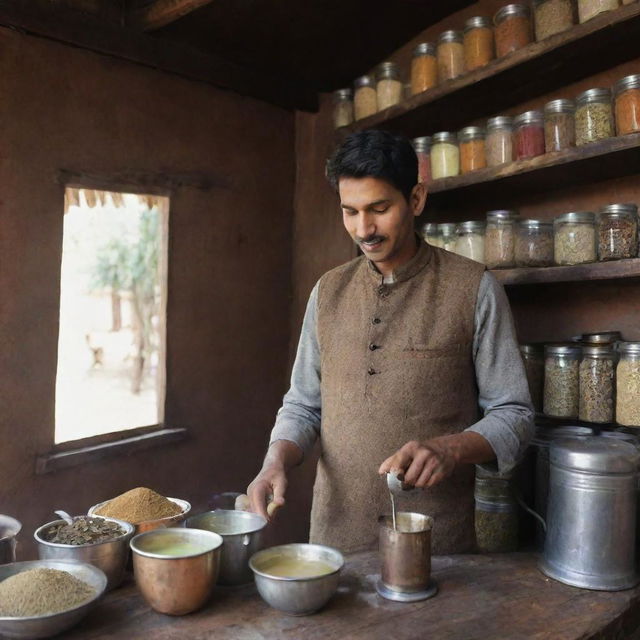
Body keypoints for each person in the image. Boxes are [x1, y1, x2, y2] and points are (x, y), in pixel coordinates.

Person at [247, 130, 534, 554]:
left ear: (415, 199)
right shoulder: (327, 292)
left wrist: (450, 448)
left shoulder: (473, 288)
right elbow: (303, 405)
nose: (364, 229)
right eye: (350, 212)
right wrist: (275, 460)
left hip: (436, 548)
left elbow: (515, 415)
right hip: (335, 542)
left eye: (379, 209)